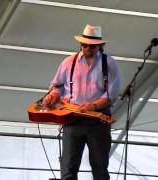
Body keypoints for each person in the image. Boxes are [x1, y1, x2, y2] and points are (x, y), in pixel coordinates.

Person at [43, 24, 121, 180]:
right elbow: (58, 85)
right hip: (73, 120)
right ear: (80, 44)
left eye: (92, 46)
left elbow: (112, 94)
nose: (88, 49)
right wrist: (53, 95)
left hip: (99, 120)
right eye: (85, 45)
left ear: (100, 45)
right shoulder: (68, 62)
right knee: (68, 168)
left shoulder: (109, 64)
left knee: (100, 167)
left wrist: (93, 106)